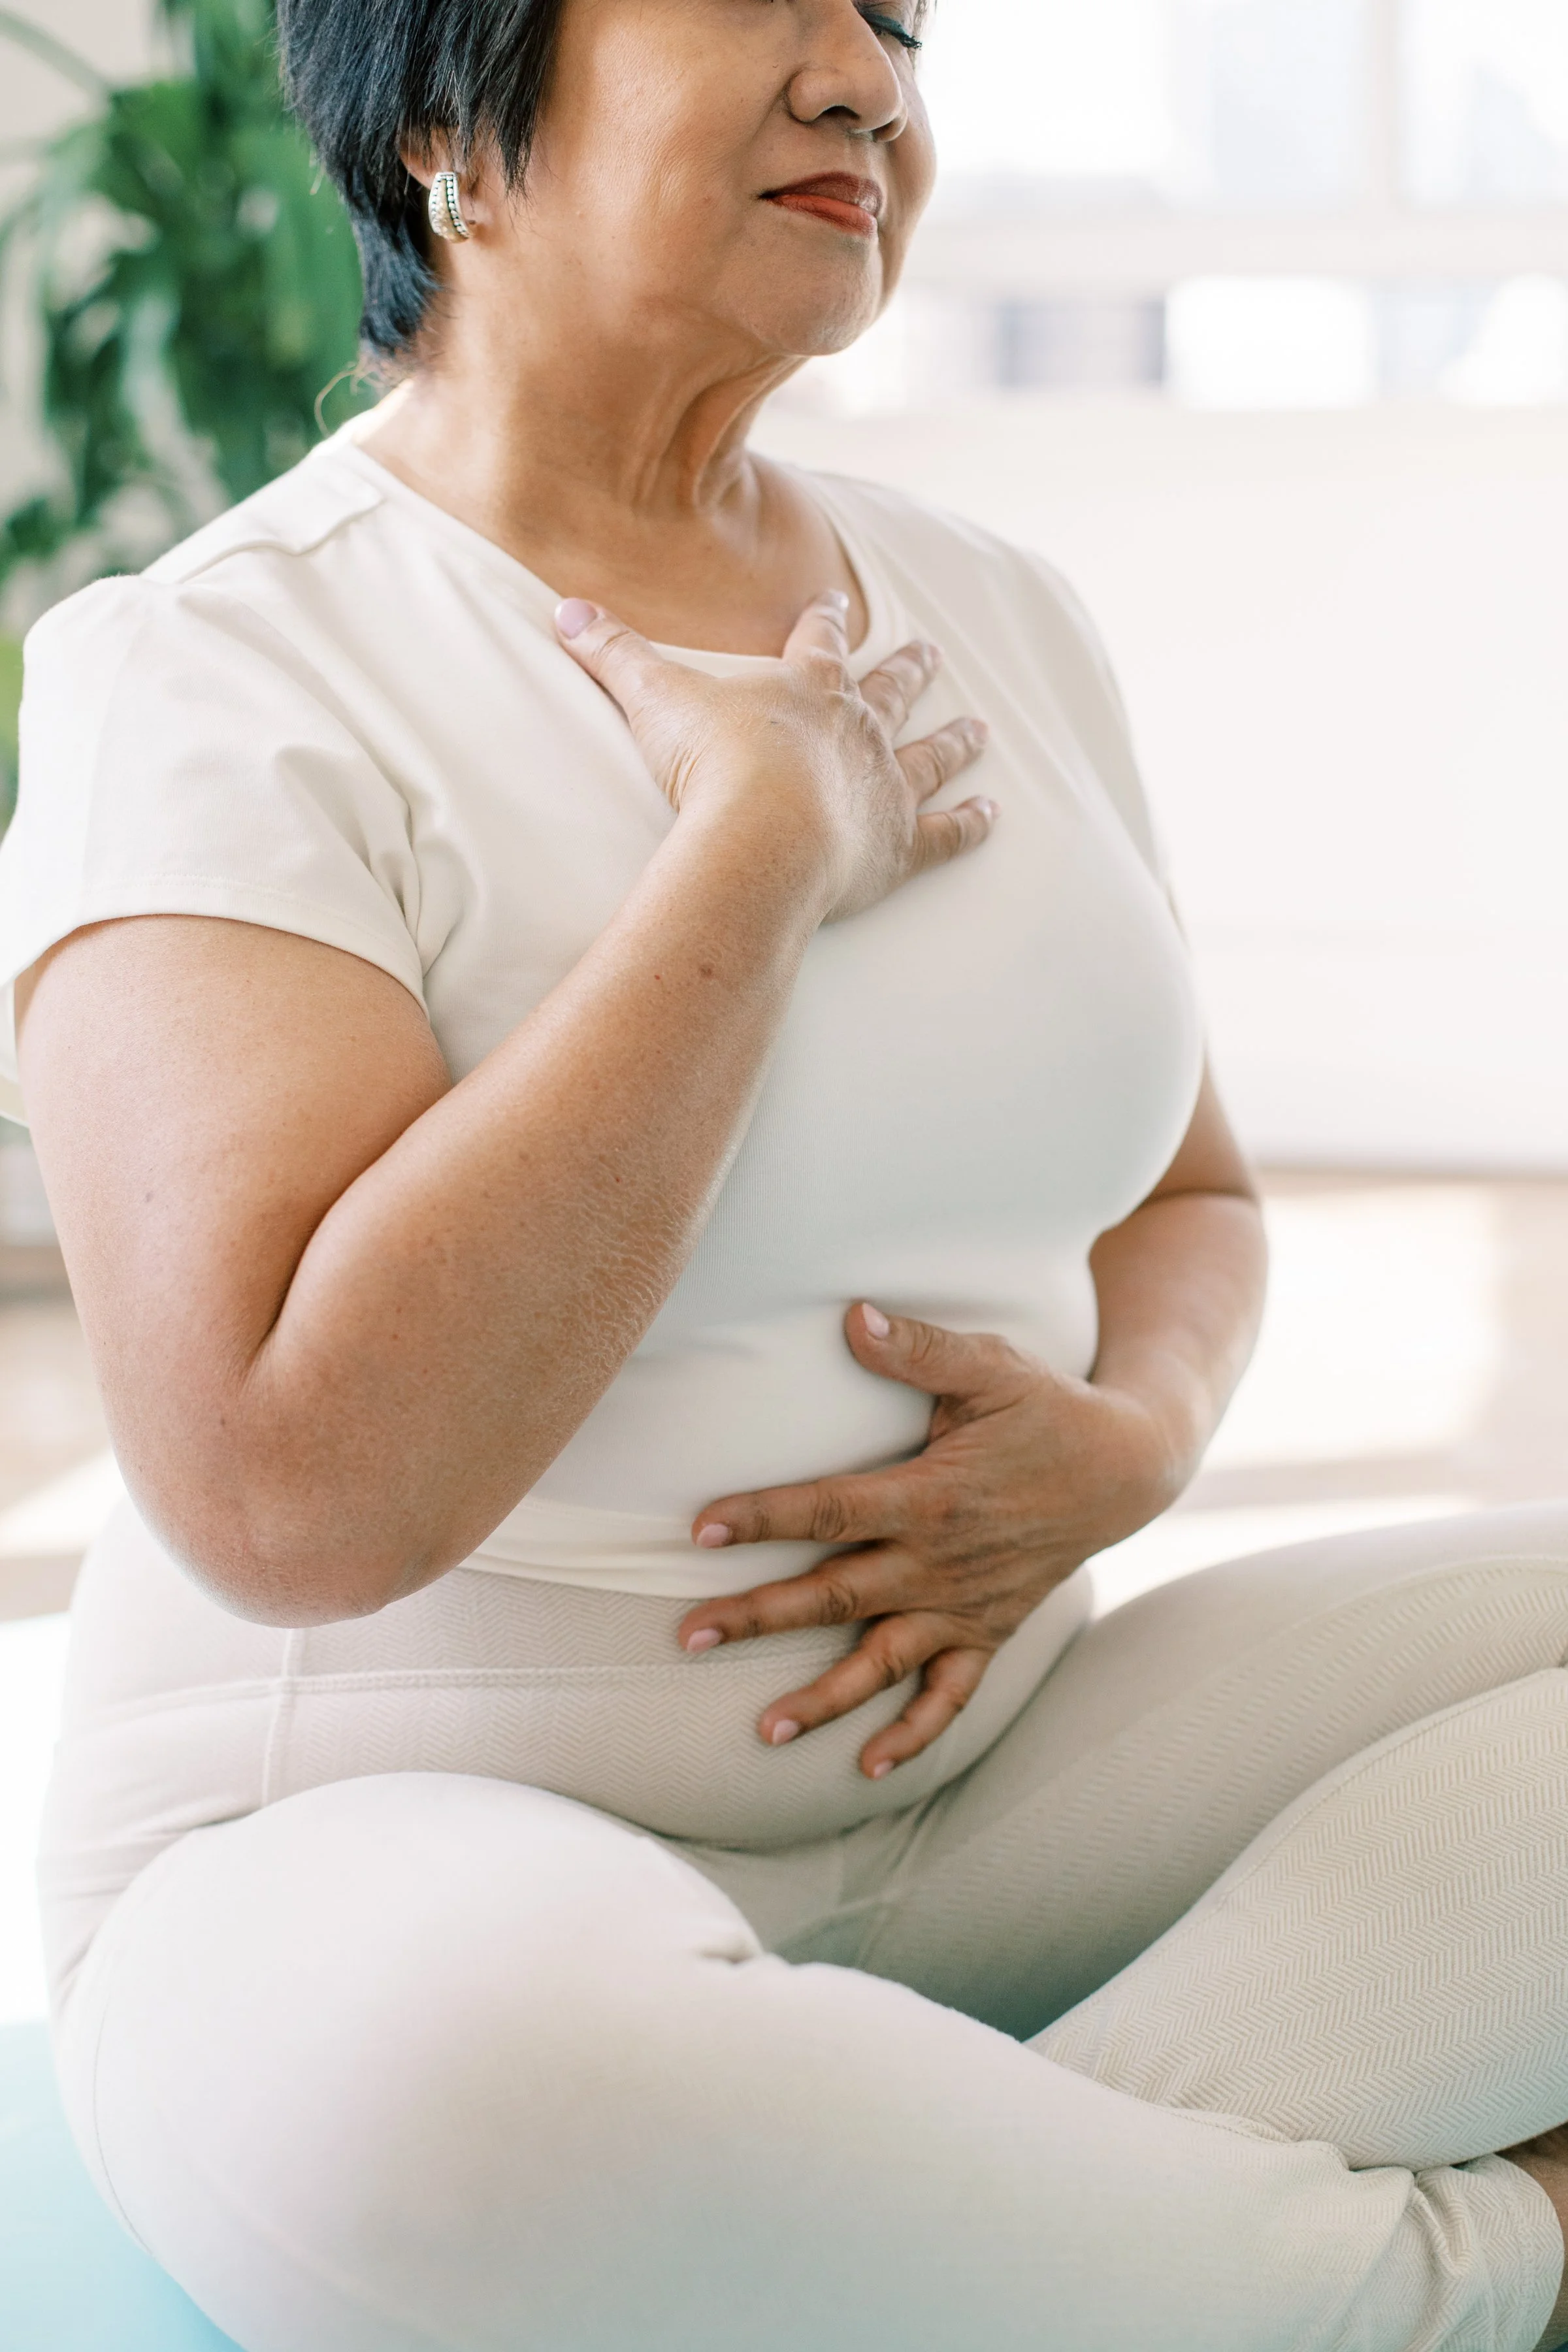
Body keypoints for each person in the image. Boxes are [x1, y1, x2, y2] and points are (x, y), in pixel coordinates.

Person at [3, 0, 1567, 2344]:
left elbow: (1190, 1199)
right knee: (445, 2104)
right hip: (383, 1847)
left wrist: (1130, 1443)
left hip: (1000, 1774)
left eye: (902, 20)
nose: (868, 74)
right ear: (449, 119)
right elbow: (285, 1492)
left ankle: (992, 2207)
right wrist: (758, 843)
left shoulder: (995, 612)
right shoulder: (224, 666)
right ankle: (1458, 2257)